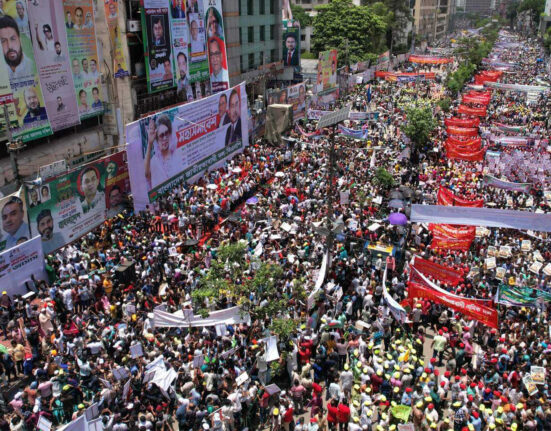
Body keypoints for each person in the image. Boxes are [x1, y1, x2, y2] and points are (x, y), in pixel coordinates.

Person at [144, 114, 180, 188]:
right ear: (156, 139)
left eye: (166, 133)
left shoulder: (177, 155)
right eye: (161, 135)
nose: (165, 138)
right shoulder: (154, 161)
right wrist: (150, 143)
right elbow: (146, 174)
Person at [0, 15, 34, 81]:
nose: (9, 46)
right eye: (3, 41)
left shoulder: (32, 66)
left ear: (20, 41)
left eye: (13, 39)